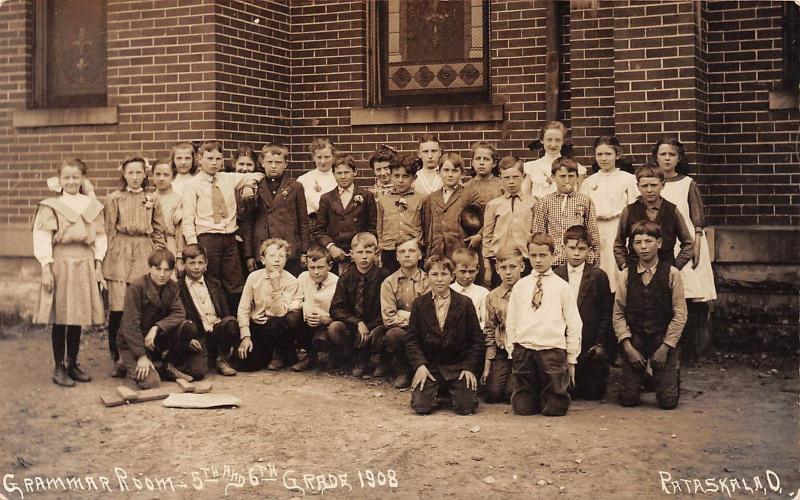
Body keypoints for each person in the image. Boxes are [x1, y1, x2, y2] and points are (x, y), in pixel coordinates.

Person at [33, 158, 106, 386]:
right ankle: (59, 367)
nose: (71, 181)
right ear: (60, 179)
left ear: (83, 178)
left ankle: (73, 363)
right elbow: (42, 238)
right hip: (61, 262)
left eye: (76, 177)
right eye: (67, 177)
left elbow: (101, 238)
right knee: (61, 316)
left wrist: (98, 265)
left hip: (84, 261)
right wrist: (46, 267)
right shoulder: (50, 206)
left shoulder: (92, 205)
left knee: (78, 315)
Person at [653, 137, 717, 358]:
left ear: (678, 158)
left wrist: (697, 245)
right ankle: (667, 345)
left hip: (687, 241)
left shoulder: (687, 183)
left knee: (688, 293)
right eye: (663, 154)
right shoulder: (652, 183)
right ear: (656, 157)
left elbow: (697, 220)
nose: (667, 158)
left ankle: (690, 347)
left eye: (671, 154)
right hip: (661, 243)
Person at [506, 233, 582, 416]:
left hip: (552, 350)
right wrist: (512, 349)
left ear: (553, 256)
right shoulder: (521, 286)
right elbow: (512, 320)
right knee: (523, 409)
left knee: (554, 409)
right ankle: (529, 398)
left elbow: (574, 324)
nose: (538, 260)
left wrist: (571, 357)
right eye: (533, 256)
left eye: (543, 255)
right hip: (524, 350)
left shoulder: (562, 287)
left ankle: (553, 397)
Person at [104, 153, 167, 376]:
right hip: (120, 252)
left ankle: (144, 353)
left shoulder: (153, 199)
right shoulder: (114, 198)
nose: (134, 177)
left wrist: (159, 257)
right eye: (130, 172)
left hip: (144, 250)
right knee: (119, 306)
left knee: (143, 304)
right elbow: (109, 231)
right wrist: (106, 262)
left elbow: (159, 230)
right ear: (123, 173)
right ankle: (118, 356)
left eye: (139, 172)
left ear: (145, 173)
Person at [181, 141, 264, 311]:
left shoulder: (228, 178)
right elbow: (188, 219)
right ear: (199, 159)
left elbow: (257, 175)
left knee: (234, 282)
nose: (214, 162)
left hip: (229, 238)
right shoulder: (192, 185)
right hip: (207, 238)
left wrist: (249, 185)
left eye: (218, 158)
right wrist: (194, 246)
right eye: (209, 158)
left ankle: (235, 322)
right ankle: (216, 320)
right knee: (212, 280)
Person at [613, 221, 687, 409]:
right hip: (635, 339)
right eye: (638, 242)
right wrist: (628, 347)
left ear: (659, 243)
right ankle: (641, 375)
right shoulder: (626, 275)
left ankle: (670, 373)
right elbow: (618, 314)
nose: (643, 247)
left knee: (668, 402)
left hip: (661, 339)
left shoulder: (672, 273)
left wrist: (666, 347)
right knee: (627, 400)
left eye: (648, 241)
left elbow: (680, 315)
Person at [405, 255, 483, 415]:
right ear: (427, 277)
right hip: (430, 367)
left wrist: (469, 368)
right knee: (421, 407)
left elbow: (476, 340)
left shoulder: (465, 303)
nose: (439, 279)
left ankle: (453, 391)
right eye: (434, 274)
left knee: (466, 408)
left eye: (444, 274)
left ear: (452, 275)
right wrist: (420, 365)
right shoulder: (420, 304)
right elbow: (412, 339)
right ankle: (436, 390)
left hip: (457, 366)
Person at [553, 226, 614, 400]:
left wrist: (600, 343)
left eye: (582, 249)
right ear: (563, 248)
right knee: (562, 390)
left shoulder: (598, 276)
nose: (576, 254)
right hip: (562, 342)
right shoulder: (556, 275)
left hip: (589, 344)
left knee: (590, 393)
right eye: (571, 248)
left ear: (589, 250)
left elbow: (606, 313)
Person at [117, 249, 191, 389]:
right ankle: (125, 362)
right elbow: (130, 324)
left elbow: (179, 313)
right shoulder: (136, 287)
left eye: (167, 270)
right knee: (152, 382)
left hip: (154, 339)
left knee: (187, 327)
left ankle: (166, 366)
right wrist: (141, 356)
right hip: (133, 341)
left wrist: (157, 327)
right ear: (149, 267)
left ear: (172, 270)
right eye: (158, 269)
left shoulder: (173, 286)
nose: (162, 274)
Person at [240, 142, 309, 278]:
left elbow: (303, 221)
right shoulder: (254, 186)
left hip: (288, 250)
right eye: (269, 162)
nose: (273, 166)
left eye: (278, 162)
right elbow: (248, 223)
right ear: (262, 162)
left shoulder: (295, 187)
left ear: (285, 163)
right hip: (263, 250)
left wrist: (304, 252)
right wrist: (249, 254)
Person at [328, 232, 393, 377]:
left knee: (382, 334)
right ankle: (354, 358)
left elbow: (387, 307)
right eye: (360, 252)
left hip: (377, 324)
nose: (364, 256)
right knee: (335, 328)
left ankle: (383, 360)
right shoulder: (346, 277)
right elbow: (335, 309)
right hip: (355, 325)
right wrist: (357, 322)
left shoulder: (384, 276)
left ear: (376, 254)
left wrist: (369, 326)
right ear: (352, 254)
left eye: (368, 252)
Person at [580, 136, 638, 292]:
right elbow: (582, 211)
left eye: (608, 154)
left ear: (617, 155)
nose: (603, 158)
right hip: (596, 229)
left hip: (618, 228)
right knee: (599, 266)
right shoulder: (589, 182)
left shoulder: (628, 179)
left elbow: (634, 209)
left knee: (617, 267)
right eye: (599, 154)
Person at [236, 238, 303, 371]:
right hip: (259, 327)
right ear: (263, 259)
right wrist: (246, 335)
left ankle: (281, 353)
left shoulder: (292, 281)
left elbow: (280, 313)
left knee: (277, 322)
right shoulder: (253, 277)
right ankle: (264, 353)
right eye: (272, 256)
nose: (277, 260)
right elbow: (243, 308)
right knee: (246, 365)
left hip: (278, 327)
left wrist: (276, 286)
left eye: (281, 256)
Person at [176, 243, 240, 378]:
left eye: (200, 262)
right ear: (183, 264)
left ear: (206, 264)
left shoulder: (214, 283)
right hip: (198, 334)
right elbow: (178, 317)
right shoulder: (178, 287)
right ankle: (198, 358)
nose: (197, 267)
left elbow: (224, 310)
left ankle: (221, 358)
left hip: (216, 329)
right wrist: (188, 340)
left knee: (230, 322)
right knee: (197, 373)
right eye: (192, 263)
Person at [614, 165, 694, 272]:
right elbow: (619, 244)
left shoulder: (672, 210)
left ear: (663, 185)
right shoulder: (629, 211)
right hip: (636, 270)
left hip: (665, 270)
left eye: (654, 185)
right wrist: (624, 265)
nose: (649, 190)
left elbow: (688, 244)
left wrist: (674, 267)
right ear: (638, 186)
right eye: (645, 186)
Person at [378, 236, 430, 388]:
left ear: (420, 255)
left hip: (425, 332)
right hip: (403, 332)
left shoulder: (428, 281)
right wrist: (415, 318)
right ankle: (405, 369)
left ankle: (425, 368)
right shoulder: (388, 283)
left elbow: (429, 316)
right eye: (402, 251)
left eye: (411, 250)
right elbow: (388, 319)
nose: (407, 255)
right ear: (396, 256)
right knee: (393, 334)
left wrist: (405, 314)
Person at [312, 153, 377, 276]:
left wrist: (362, 251)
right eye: (338, 173)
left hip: (360, 255)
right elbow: (319, 231)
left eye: (346, 172)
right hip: (336, 254)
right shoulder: (326, 198)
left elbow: (372, 228)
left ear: (355, 172)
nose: (343, 177)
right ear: (333, 174)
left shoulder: (366, 196)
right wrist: (331, 248)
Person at [532, 156, 600, 269]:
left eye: (571, 176)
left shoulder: (585, 201)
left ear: (577, 177)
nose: (567, 181)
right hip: (554, 261)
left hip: (579, 259)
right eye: (562, 176)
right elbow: (539, 235)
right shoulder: (545, 202)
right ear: (553, 177)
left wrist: (595, 261)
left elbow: (593, 233)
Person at [482, 156, 536, 287]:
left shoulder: (533, 203)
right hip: (500, 262)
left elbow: (536, 234)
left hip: (525, 261)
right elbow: (487, 237)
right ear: (500, 178)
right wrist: (488, 268)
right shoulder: (494, 205)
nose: (511, 182)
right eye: (506, 178)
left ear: (523, 177)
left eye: (515, 177)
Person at [481, 247, 524, 404]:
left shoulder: (528, 291)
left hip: (523, 351)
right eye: (503, 268)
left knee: (510, 395)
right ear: (497, 269)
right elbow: (490, 330)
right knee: (492, 394)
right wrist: (487, 365)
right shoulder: (492, 296)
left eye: (513, 267)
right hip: (502, 352)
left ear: (522, 267)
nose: (508, 272)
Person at [293, 244, 339, 372]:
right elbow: (293, 302)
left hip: (327, 322)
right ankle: (309, 356)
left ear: (329, 266)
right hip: (309, 321)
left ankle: (333, 356)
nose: (316, 272)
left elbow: (341, 311)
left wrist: (325, 319)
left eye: (320, 267)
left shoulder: (337, 282)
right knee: (293, 318)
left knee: (328, 333)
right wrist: (304, 305)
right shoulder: (303, 278)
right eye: (312, 268)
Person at [376, 157, 424, 273]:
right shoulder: (383, 200)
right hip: (389, 250)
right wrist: (380, 247)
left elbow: (425, 226)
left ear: (414, 178)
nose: (400, 180)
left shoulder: (421, 199)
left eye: (405, 176)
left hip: (412, 250)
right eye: (396, 176)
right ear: (391, 176)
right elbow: (379, 227)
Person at [421, 152, 468, 259]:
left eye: (455, 171)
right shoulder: (430, 199)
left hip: (460, 253)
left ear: (463, 173)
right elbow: (427, 228)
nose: (450, 174)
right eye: (446, 170)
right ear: (438, 172)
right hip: (436, 253)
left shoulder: (467, 195)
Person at [523, 121, 586, 198]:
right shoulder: (531, 168)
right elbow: (525, 199)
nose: (553, 144)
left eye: (558, 140)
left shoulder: (577, 168)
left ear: (563, 141)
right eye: (549, 140)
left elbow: (581, 199)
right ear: (542, 140)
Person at [152, 157, 185, 274]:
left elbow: (180, 231)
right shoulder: (148, 198)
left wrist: (179, 256)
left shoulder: (178, 200)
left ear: (173, 177)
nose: (161, 178)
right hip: (150, 244)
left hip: (169, 244)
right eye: (158, 174)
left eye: (166, 175)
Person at [297, 137, 338, 221]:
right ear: (313, 157)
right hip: (312, 224)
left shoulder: (340, 177)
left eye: (327, 157)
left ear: (334, 157)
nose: (323, 161)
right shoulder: (304, 179)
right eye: (319, 157)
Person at [449, 248, 489, 330]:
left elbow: (486, 321)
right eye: (463, 271)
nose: (467, 276)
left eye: (471, 271)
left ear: (477, 269)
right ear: (454, 270)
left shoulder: (483, 293)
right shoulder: (447, 291)